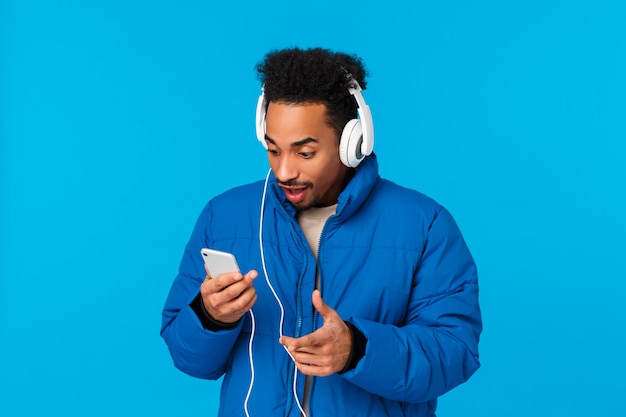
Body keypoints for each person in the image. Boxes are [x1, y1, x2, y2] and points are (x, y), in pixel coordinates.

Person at [161, 47, 482, 417]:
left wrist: (358, 349)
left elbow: (455, 352)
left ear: (352, 143)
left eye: (305, 153)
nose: (284, 171)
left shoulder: (424, 224)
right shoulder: (224, 216)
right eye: (273, 149)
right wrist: (209, 316)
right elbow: (188, 359)